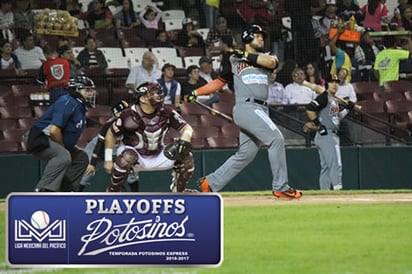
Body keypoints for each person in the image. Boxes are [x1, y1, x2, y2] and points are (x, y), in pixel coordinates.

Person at [185, 24, 303, 199]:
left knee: (246, 154)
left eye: (262, 36)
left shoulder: (267, 55)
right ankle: (281, 186)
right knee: (276, 139)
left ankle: (210, 183)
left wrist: (245, 55)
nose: (261, 38)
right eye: (257, 35)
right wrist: (197, 92)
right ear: (248, 37)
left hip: (261, 108)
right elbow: (219, 82)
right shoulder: (234, 60)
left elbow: (271, 63)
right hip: (247, 107)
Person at [103, 81, 195, 193]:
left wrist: (185, 137)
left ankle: (178, 191)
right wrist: (108, 159)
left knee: (186, 156)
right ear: (143, 99)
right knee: (127, 157)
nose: (159, 96)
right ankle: (112, 192)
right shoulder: (128, 114)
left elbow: (187, 128)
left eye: (159, 93)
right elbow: (110, 134)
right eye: (154, 94)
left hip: (159, 154)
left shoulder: (167, 111)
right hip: (135, 155)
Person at [23, 76, 97, 192]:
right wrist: (64, 149)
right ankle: (43, 191)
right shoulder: (67, 102)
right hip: (38, 137)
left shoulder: (79, 106)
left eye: (91, 90)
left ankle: (66, 191)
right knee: (63, 156)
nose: (91, 93)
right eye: (87, 90)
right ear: (76, 90)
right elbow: (54, 130)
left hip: (52, 140)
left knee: (81, 158)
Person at [305, 74, 355, 190]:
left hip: (328, 134)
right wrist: (318, 124)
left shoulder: (334, 99)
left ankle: (324, 193)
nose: (335, 84)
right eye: (332, 82)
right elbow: (310, 108)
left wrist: (347, 109)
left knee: (326, 167)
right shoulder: (324, 97)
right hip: (327, 134)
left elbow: (336, 118)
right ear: (327, 84)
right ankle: (338, 189)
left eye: (337, 82)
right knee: (335, 164)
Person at [80, 100, 139, 191]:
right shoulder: (109, 125)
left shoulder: (131, 125)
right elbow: (99, 145)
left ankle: (136, 196)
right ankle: (75, 195)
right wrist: (92, 164)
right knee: (87, 173)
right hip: (98, 150)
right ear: (117, 114)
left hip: (117, 150)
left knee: (132, 171)